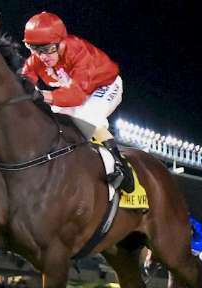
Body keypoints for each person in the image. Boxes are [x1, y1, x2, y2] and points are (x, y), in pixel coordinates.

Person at [21, 12, 134, 192]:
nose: (42, 56)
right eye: (35, 49)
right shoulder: (36, 60)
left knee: (86, 116)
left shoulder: (78, 51)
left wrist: (43, 96)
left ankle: (121, 167)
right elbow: (24, 83)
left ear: (61, 42)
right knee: (51, 119)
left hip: (105, 86)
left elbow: (77, 95)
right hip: (77, 90)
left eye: (48, 48)